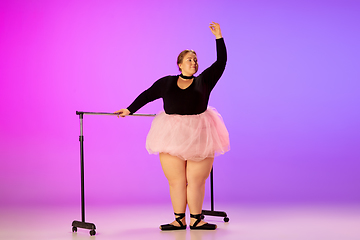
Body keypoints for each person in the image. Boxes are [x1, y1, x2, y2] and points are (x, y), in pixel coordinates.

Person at [115, 22, 229, 230]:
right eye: (189, 60)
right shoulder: (166, 82)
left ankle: (196, 219)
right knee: (176, 181)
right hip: (171, 134)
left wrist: (219, 37)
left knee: (196, 180)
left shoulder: (204, 81)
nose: (194, 63)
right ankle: (179, 219)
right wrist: (130, 110)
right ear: (179, 64)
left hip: (199, 133)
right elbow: (147, 95)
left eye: (195, 60)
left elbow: (221, 62)